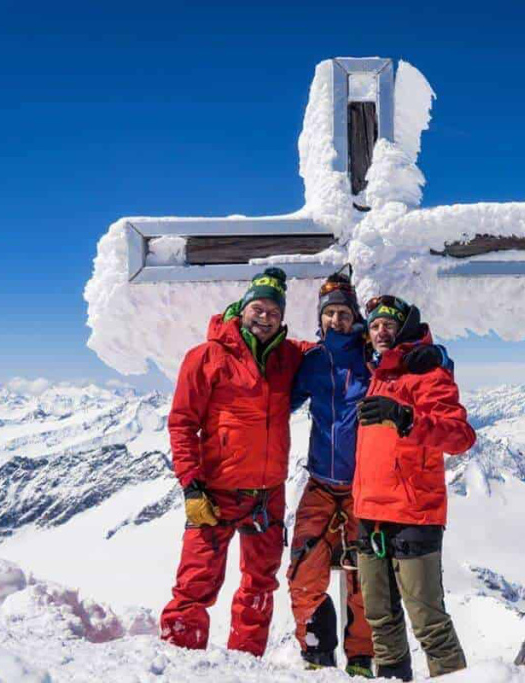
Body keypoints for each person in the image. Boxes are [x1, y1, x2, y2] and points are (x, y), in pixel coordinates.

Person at [287, 267, 450, 677]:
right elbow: (279, 389)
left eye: (344, 313)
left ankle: (361, 659)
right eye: (329, 314)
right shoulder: (311, 360)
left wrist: (440, 355)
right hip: (320, 482)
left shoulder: (370, 359)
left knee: (363, 581)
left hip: (363, 489)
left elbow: (408, 360)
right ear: (320, 318)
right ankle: (316, 649)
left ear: (354, 318)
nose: (336, 320)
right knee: (303, 566)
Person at [159, 267, 313, 656]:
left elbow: (331, 353)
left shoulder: (288, 356)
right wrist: (191, 486)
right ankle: (179, 662)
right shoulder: (206, 356)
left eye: (273, 312)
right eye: (258, 308)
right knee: (195, 584)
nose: (265, 317)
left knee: (260, 585)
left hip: (268, 493)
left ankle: (245, 665)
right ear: (242, 309)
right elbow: (182, 423)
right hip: (215, 490)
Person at [353, 296, 476, 680]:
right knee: (380, 620)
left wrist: (407, 418)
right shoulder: (376, 374)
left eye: (389, 325)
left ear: (404, 329)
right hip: (369, 512)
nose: (381, 332)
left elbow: (460, 436)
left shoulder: (428, 374)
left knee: (429, 625)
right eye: (374, 326)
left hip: (414, 513)